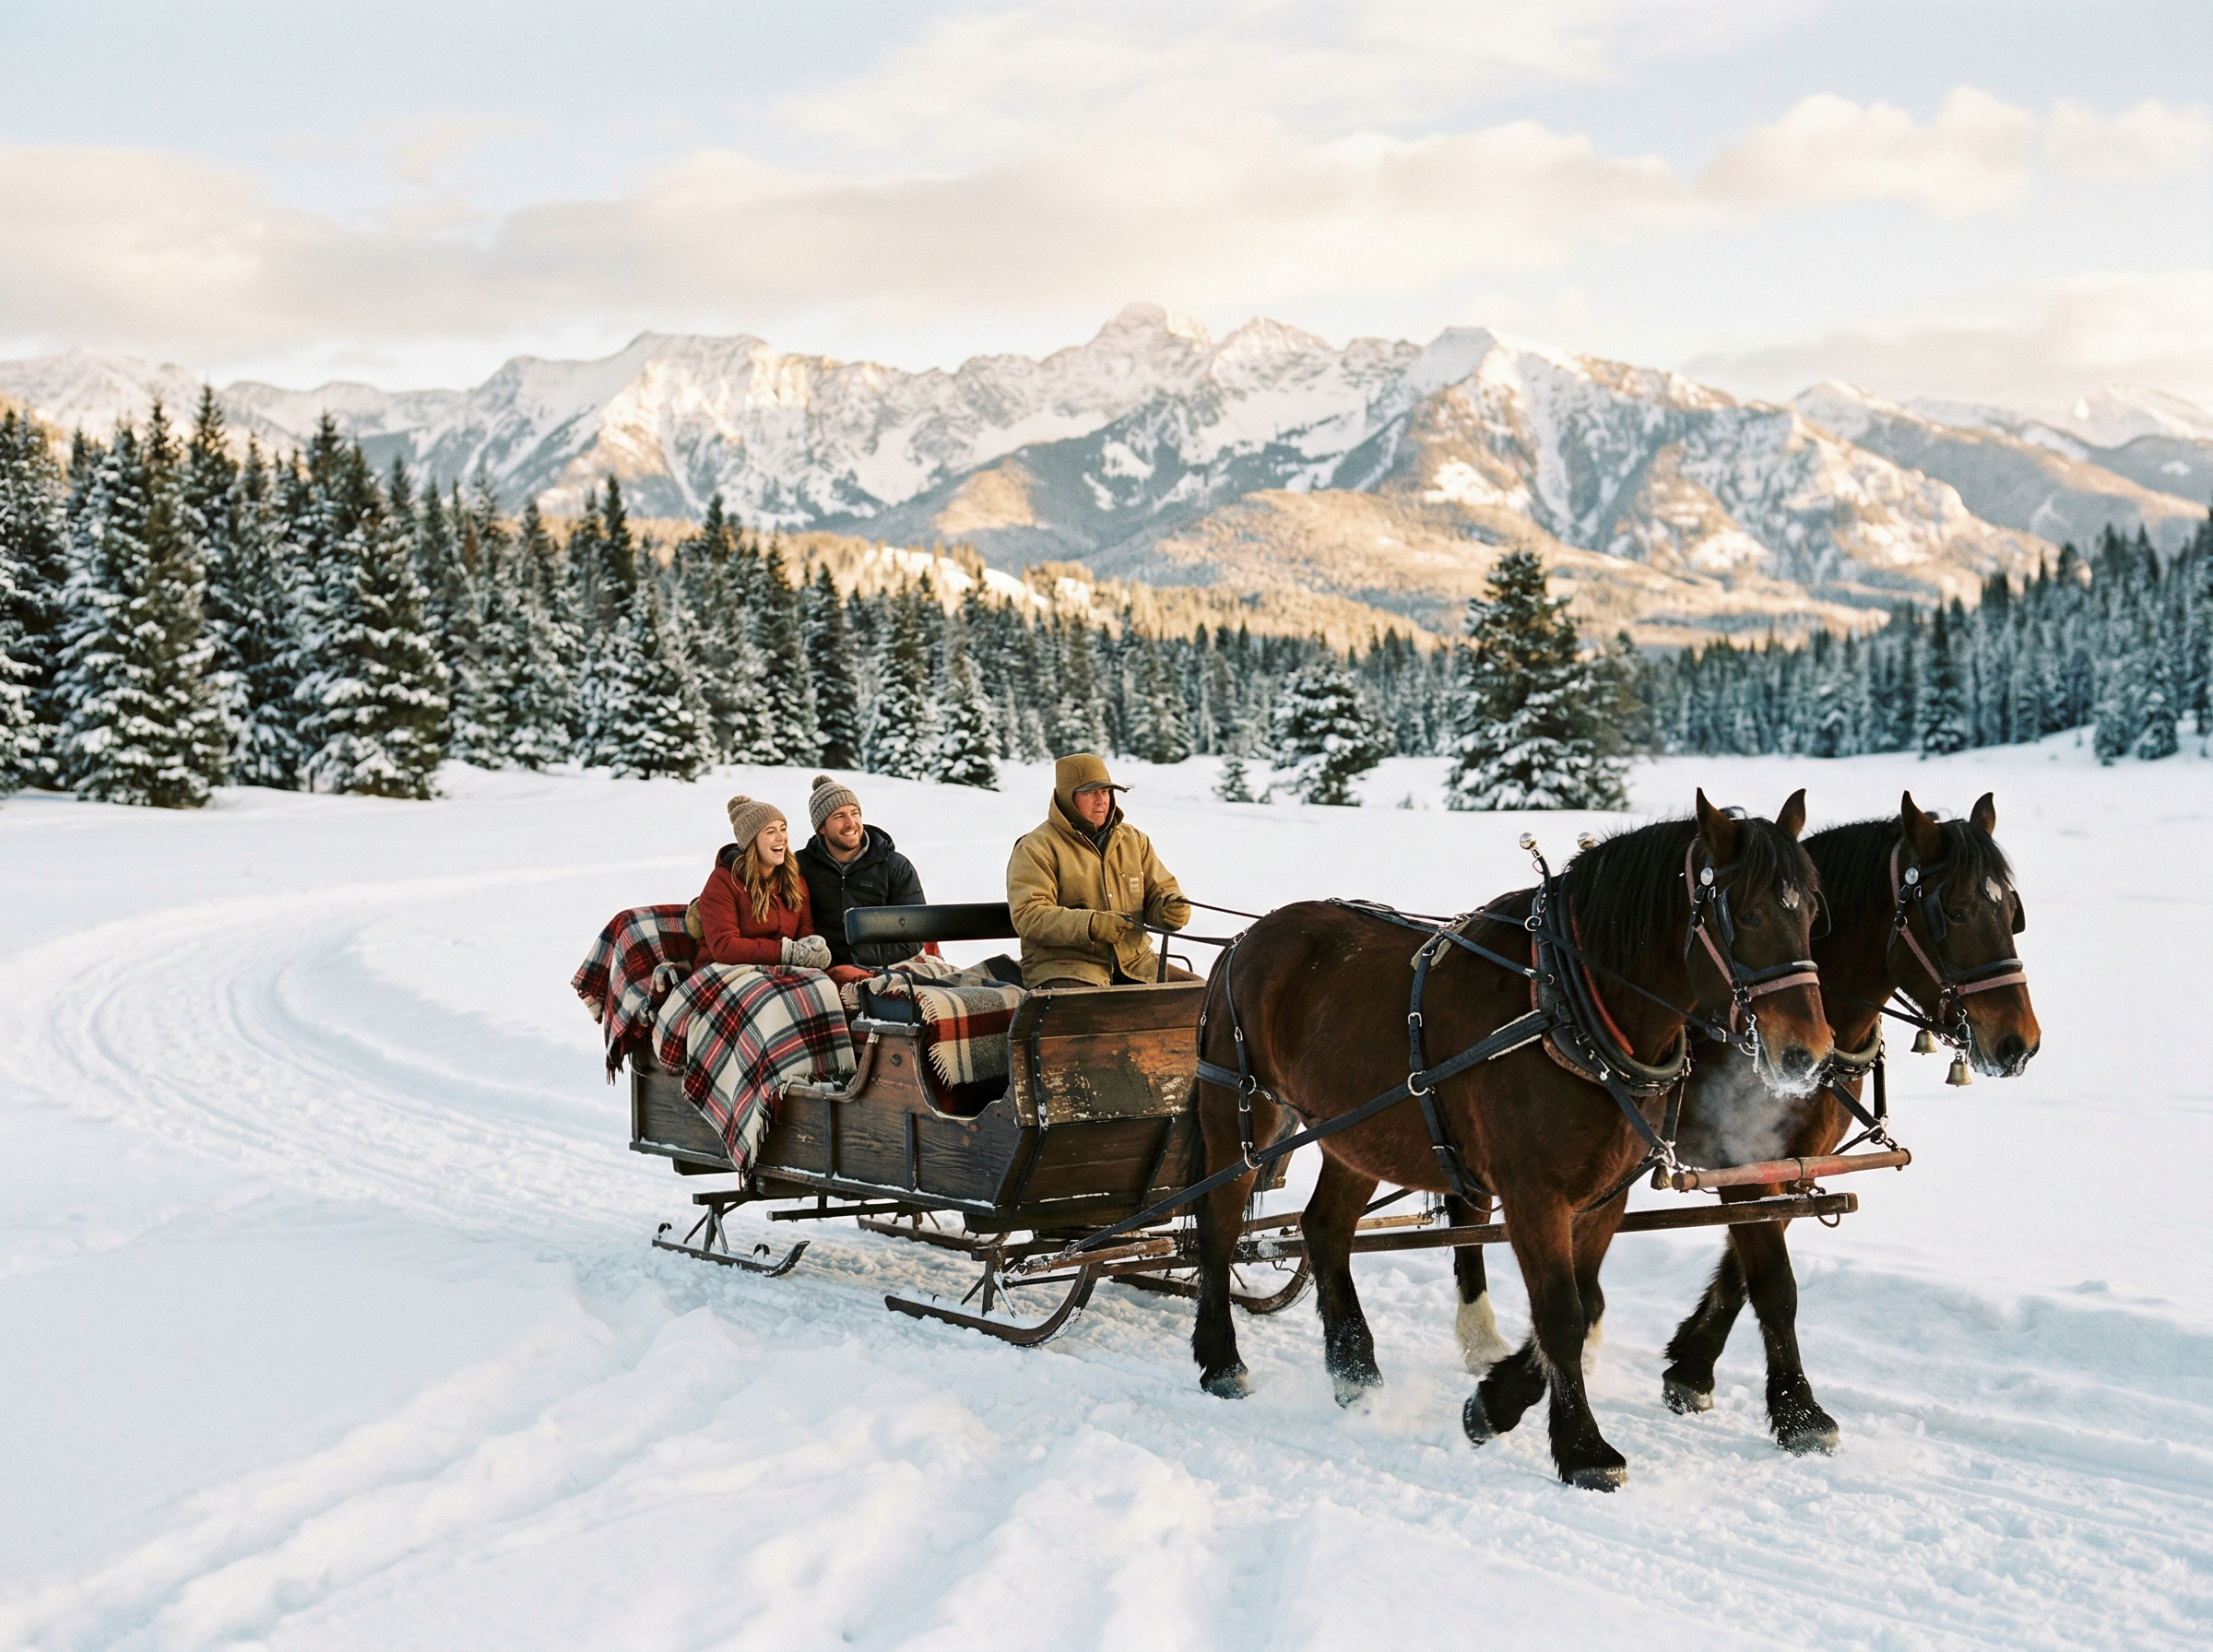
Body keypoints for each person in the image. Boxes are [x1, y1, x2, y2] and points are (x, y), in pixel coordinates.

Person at [1006, 753, 1193, 989]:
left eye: (1105, 791)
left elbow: (1160, 891)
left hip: (1137, 964)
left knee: (1208, 999)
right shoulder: (1035, 848)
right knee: (1099, 1017)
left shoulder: (1134, 840)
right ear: (1067, 797)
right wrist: (1091, 924)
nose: (1101, 800)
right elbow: (1030, 916)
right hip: (1066, 967)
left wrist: (1168, 908)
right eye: (1089, 792)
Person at [795, 774, 930, 969]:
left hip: (883, 966)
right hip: (820, 968)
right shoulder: (800, 866)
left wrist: (860, 960)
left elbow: (914, 932)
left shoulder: (894, 866)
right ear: (821, 828)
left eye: (855, 813)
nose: (851, 823)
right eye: (839, 816)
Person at [695, 795, 834, 971]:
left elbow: (804, 933)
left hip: (776, 968)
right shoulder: (724, 881)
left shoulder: (794, 881)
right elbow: (725, 946)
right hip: (724, 969)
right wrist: (786, 952)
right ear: (752, 841)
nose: (781, 838)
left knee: (823, 987)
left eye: (783, 829)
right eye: (770, 832)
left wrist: (813, 950)